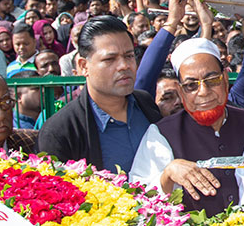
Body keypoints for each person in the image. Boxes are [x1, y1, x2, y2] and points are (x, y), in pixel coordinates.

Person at [130, 39, 244, 215]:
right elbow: (139, 198)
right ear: (181, 91)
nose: (203, 91)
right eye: (191, 85)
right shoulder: (162, 135)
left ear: (225, 79)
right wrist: (167, 174)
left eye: (212, 80)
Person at [38, 16, 161, 172]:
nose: (124, 66)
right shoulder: (59, 132)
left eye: (129, 56)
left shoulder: (145, 104)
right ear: (83, 67)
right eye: (110, 59)